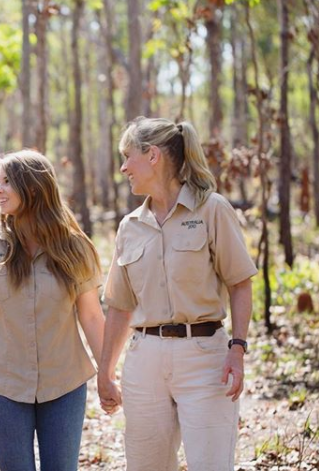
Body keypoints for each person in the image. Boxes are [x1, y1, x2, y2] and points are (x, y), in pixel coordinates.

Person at [97, 117, 257, 471]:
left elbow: (240, 282)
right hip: (144, 361)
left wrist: (238, 348)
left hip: (205, 360)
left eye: (127, 156)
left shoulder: (212, 209)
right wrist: (105, 371)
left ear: (152, 155)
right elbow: (120, 306)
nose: (123, 167)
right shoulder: (130, 227)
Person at [0, 150, 105, 471]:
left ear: (34, 187)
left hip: (65, 384)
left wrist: (107, 375)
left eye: (7, 181)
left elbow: (92, 316)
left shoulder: (75, 247)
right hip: (4, 385)